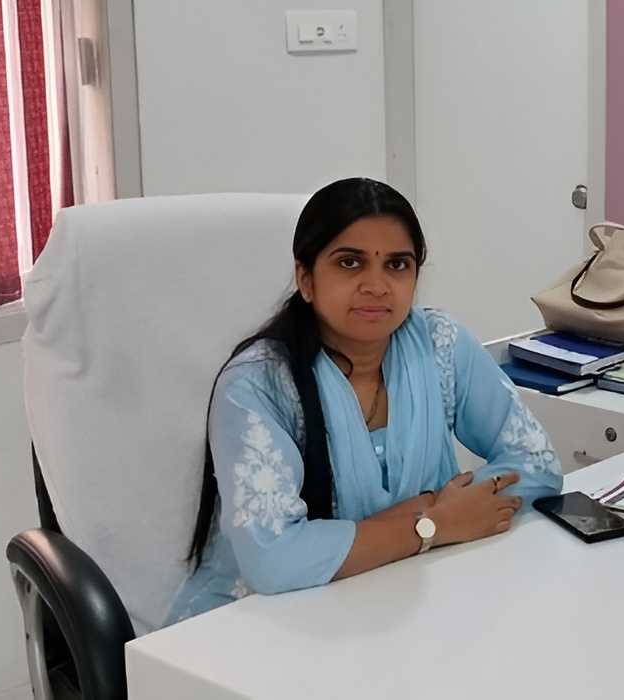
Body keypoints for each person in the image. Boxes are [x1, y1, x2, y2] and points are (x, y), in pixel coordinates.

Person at [164, 177, 562, 625]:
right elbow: (272, 561)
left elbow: (537, 465)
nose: (377, 285)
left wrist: (429, 523)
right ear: (306, 280)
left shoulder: (441, 344)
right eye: (350, 263)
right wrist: (435, 522)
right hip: (252, 626)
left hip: (404, 598)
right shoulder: (258, 386)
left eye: (397, 264)